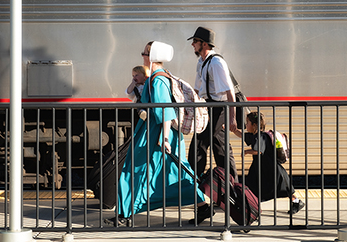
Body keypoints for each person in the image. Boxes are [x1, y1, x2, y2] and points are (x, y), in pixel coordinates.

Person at [106, 41, 213, 226]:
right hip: (161, 135)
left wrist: (164, 139)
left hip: (155, 136)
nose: (142, 56)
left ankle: (124, 216)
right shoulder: (155, 78)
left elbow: (166, 111)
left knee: (133, 172)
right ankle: (203, 205)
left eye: (145, 53)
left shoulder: (158, 80)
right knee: (174, 174)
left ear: (153, 56)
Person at [187, 26, 239, 184]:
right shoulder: (201, 62)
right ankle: (231, 187)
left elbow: (229, 93)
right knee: (220, 148)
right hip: (208, 107)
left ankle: (193, 186)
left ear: (204, 44)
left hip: (218, 108)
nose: (192, 45)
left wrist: (232, 119)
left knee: (199, 144)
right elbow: (197, 89)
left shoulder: (216, 63)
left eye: (195, 41)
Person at [232, 111, 305, 215]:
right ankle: (251, 205)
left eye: (247, 123)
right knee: (253, 185)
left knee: (282, 188)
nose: (245, 125)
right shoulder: (255, 135)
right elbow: (241, 135)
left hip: (271, 169)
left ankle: (297, 202)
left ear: (254, 125)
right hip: (261, 168)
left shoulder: (260, 137)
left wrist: (246, 151)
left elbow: (259, 151)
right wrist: (232, 129)